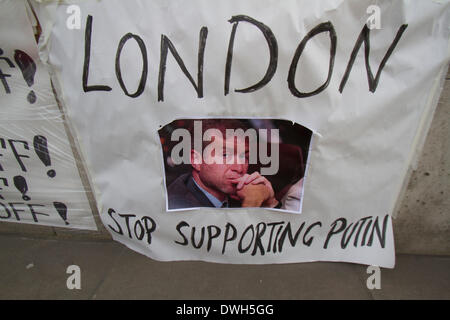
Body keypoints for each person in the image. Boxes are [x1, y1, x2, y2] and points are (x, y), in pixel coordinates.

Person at [166, 119, 280, 210]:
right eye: (225, 155)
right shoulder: (176, 206)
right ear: (196, 160)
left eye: (244, 157)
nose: (239, 168)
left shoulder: (240, 194)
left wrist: (270, 203)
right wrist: (250, 206)